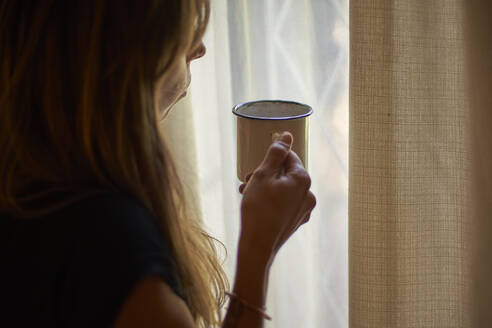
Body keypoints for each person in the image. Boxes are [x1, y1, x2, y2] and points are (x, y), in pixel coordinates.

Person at [0, 1, 317, 327]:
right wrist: (258, 248)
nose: (199, 48)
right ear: (128, 56)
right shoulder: (111, 246)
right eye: (180, 32)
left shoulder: (27, 185)